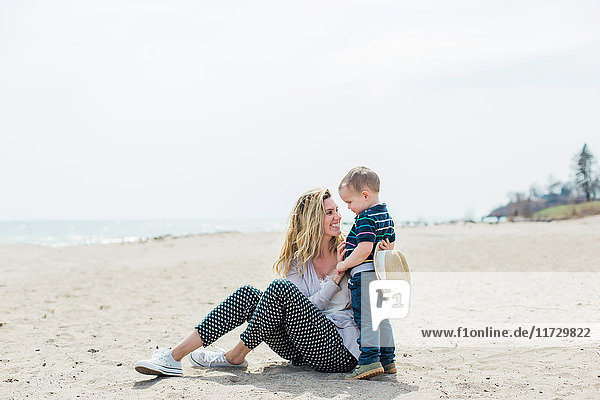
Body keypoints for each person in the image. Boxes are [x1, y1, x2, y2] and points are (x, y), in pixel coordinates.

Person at [135, 188, 364, 377]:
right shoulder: (298, 263)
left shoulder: (349, 251)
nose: (338, 217)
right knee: (249, 294)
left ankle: (234, 356)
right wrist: (334, 279)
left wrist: (342, 272)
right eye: (329, 212)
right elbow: (306, 309)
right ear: (313, 220)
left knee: (279, 289)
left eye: (336, 211)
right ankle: (173, 356)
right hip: (301, 350)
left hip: (338, 351)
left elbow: (373, 286)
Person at [336, 166, 397, 379]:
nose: (349, 208)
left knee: (367, 320)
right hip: (381, 275)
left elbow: (364, 249)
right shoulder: (385, 215)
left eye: (350, 202)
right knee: (383, 318)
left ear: (365, 195)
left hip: (365, 276)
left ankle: (369, 360)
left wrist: (343, 265)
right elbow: (389, 246)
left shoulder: (365, 217)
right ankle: (388, 361)